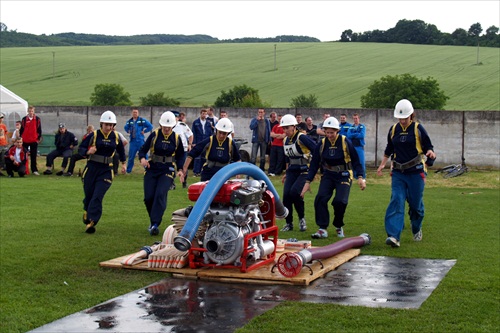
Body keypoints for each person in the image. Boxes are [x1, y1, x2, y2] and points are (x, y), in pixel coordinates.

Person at [377, 99, 436, 248]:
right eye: (400, 118)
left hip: (416, 172)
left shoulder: (418, 129)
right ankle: (394, 236)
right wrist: (383, 164)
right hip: (398, 172)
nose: (402, 120)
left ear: (411, 115)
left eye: (405, 118)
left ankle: (416, 228)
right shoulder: (393, 129)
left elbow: (428, 146)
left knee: (416, 206)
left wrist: (430, 152)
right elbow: (389, 149)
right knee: (396, 200)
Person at [301, 117, 366, 239]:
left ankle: (338, 225)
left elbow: (356, 160)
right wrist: (308, 181)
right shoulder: (322, 143)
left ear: (337, 131)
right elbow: (315, 163)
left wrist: (361, 177)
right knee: (320, 198)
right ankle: (322, 228)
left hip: (344, 174)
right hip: (328, 175)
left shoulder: (345, 141)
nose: (330, 135)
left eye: (332, 132)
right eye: (327, 132)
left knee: (340, 201)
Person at [79, 110, 126, 234]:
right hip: (91, 168)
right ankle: (86, 209)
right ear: (101, 124)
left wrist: (123, 164)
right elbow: (81, 148)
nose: (109, 127)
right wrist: (88, 151)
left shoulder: (115, 136)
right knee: (89, 195)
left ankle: (92, 222)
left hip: (106, 170)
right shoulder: (93, 135)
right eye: (106, 125)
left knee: (97, 196)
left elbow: (121, 150)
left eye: (111, 125)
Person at [139, 111, 185, 236]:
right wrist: (142, 158)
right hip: (152, 167)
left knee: (160, 194)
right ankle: (153, 220)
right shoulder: (154, 135)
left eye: (168, 127)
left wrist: (180, 170)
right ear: (160, 125)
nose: (166, 129)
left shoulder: (176, 138)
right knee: (148, 198)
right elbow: (143, 150)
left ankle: (155, 224)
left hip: (168, 169)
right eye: (164, 126)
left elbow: (181, 155)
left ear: (173, 126)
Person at [279, 114, 317, 232]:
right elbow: (287, 157)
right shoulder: (285, 140)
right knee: (286, 196)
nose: (285, 130)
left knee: (295, 193)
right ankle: (289, 223)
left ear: (294, 126)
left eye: (287, 128)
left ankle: (301, 219)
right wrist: (286, 171)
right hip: (292, 171)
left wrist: (314, 168)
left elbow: (316, 149)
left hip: (304, 170)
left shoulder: (301, 138)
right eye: (283, 128)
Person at [180, 118, 241, 182]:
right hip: (209, 172)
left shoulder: (230, 143)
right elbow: (192, 153)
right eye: (220, 132)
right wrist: (184, 168)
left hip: (224, 173)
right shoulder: (210, 140)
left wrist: (238, 172)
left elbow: (237, 159)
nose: (221, 135)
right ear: (216, 130)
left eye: (224, 133)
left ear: (228, 133)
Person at [124, 107, 153, 174]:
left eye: (136, 112)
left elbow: (150, 126)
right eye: (134, 112)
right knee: (131, 157)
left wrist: (144, 131)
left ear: (138, 113)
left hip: (140, 141)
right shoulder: (130, 121)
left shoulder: (142, 120)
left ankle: (147, 169)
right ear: (132, 113)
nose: (135, 114)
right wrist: (128, 130)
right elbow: (125, 127)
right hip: (133, 141)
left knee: (144, 156)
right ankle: (128, 171)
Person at [172, 111, 193, 188]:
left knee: (183, 166)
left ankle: (184, 182)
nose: (175, 119)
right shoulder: (168, 126)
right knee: (171, 165)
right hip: (172, 149)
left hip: (183, 149)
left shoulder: (182, 125)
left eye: (176, 117)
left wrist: (190, 144)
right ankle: (171, 183)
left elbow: (190, 135)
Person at [20, 106, 42, 175]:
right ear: (28, 111)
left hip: (33, 140)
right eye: (29, 111)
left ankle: (34, 170)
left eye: (32, 111)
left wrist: (38, 138)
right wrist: (21, 138)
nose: (31, 112)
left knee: (33, 155)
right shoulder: (24, 119)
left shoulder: (37, 119)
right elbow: (22, 129)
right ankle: (24, 169)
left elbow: (39, 129)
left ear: (34, 111)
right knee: (24, 155)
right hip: (25, 140)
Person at [191, 109, 214, 176]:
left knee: (204, 157)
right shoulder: (196, 122)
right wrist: (194, 142)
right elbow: (193, 133)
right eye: (203, 114)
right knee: (197, 157)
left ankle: (203, 171)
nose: (204, 115)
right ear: (200, 114)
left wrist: (210, 141)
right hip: (198, 141)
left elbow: (210, 133)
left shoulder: (208, 123)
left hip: (205, 141)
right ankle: (196, 172)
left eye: (205, 114)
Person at [346, 113, 366, 178]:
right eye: (354, 119)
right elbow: (348, 135)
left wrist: (353, 135)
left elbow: (362, 135)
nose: (355, 120)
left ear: (358, 118)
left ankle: (362, 176)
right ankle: (354, 176)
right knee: (353, 162)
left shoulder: (362, 126)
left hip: (359, 147)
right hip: (352, 147)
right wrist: (357, 134)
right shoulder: (351, 127)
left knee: (361, 162)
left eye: (356, 118)